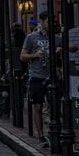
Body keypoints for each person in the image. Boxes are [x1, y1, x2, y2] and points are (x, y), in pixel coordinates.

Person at [20, 15, 52, 148]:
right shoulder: (31, 37)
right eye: (49, 21)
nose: (51, 24)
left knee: (53, 107)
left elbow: (72, 47)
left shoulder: (55, 37)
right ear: (42, 21)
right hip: (37, 76)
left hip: (51, 76)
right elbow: (22, 56)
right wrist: (35, 55)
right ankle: (40, 135)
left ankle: (52, 132)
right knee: (37, 106)